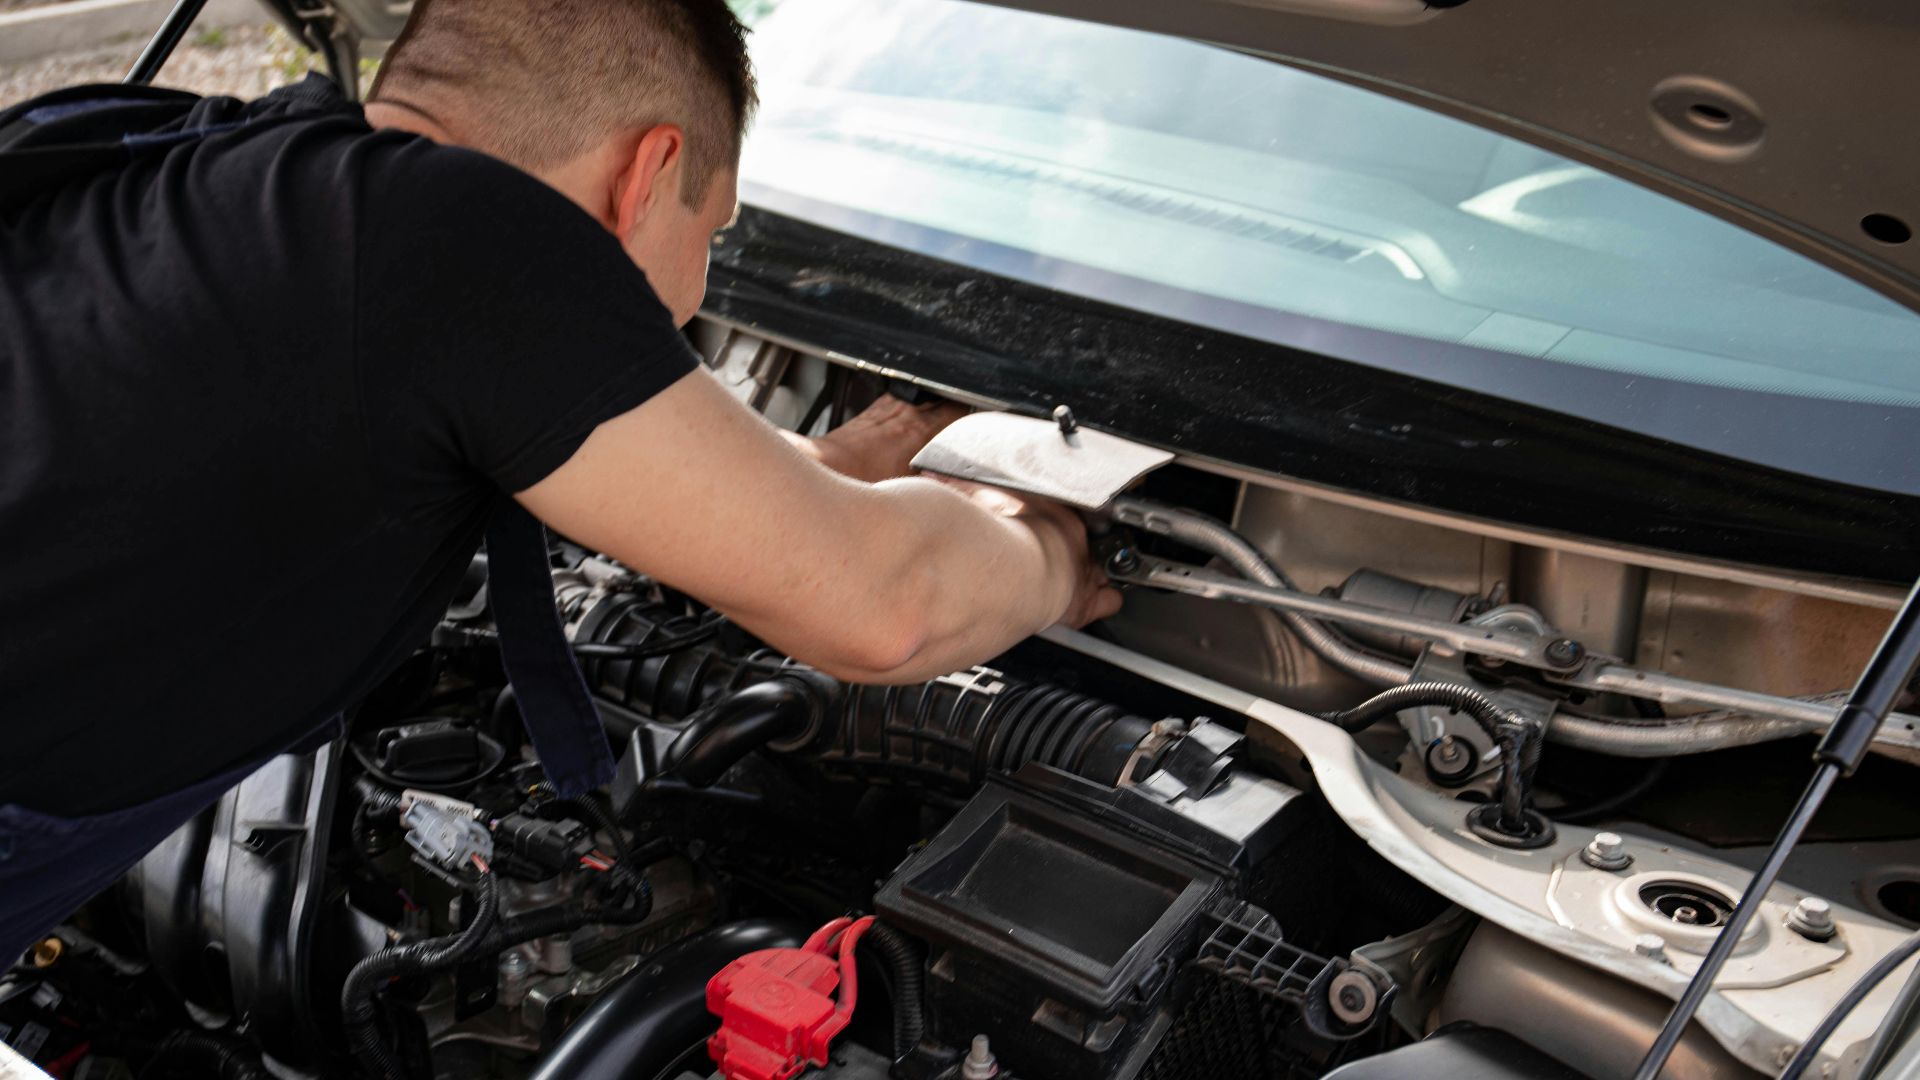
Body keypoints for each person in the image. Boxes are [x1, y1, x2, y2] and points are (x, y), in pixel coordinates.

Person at [0, 0, 1118, 960]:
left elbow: (531, 406)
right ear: (651, 171)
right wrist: (1059, 548)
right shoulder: (477, 242)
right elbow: (889, 609)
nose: (692, 295)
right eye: (712, 234)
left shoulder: (219, 175)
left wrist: (822, 467)